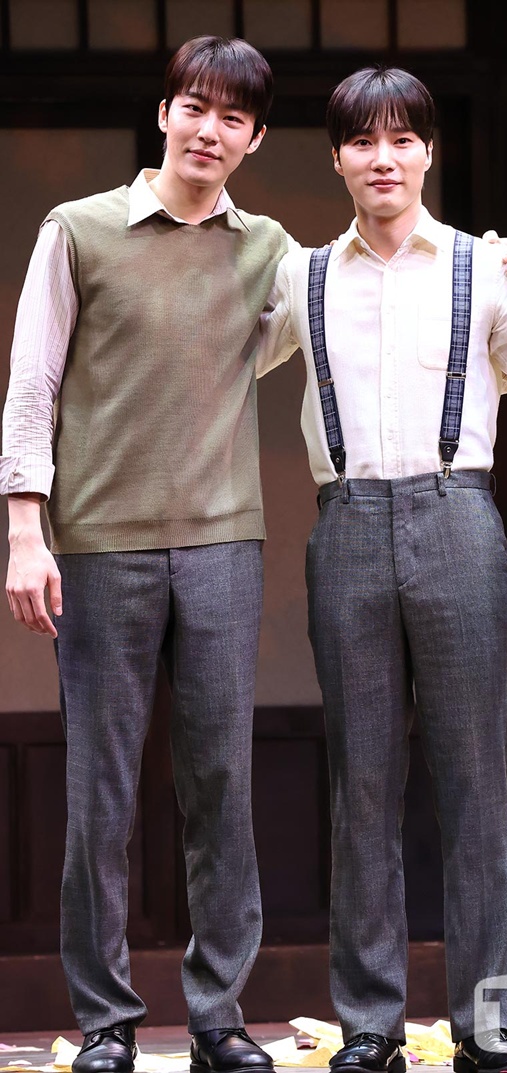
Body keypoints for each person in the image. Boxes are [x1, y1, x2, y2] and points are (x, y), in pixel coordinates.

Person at [1, 36, 289, 1073]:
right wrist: (24, 530)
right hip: (98, 546)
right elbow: (33, 382)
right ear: (164, 113)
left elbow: (350, 303)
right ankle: (106, 1021)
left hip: (222, 544)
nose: (209, 131)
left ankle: (219, 1016)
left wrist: (488, 266)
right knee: (101, 790)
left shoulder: (269, 250)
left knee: (221, 785)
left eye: (232, 118)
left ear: (255, 139)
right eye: (194, 108)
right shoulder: (77, 230)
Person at [258, 66, 507, 1073]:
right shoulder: (300, 276)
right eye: (362, 141)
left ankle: (488, 1023)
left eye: (401, 138)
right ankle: (370, 1022)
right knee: (362, 783)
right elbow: (216, 355)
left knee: (475, 780)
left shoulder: (483, 267)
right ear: (336, 158)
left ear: (429, 150)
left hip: (459, 513)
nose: (383, 158)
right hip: (345, 520)